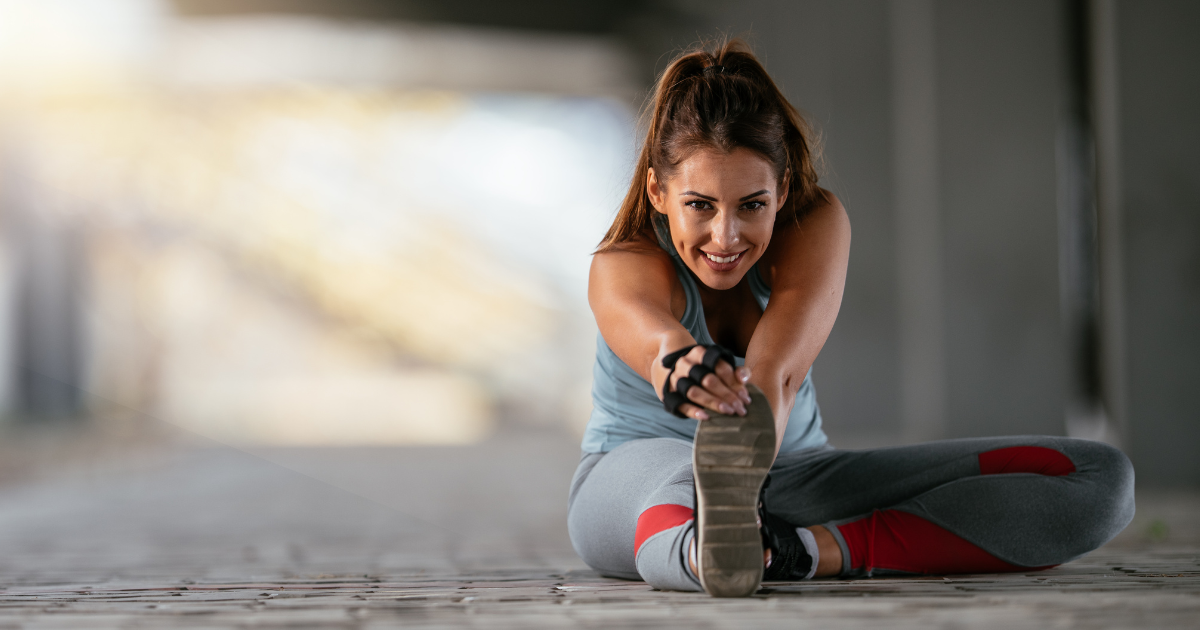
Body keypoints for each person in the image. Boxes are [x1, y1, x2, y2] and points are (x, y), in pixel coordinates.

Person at [567, 39, 1135, 597]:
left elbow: (777, 375)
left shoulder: (815, 224)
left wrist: (748, 468)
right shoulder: (624, 260)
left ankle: (806, 551)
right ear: (658, 191)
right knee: (680, 478)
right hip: (636, 481)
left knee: (1100, 478)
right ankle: (707, 552)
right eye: (700, 205)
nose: (727, 236)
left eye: (752, 205)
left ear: (782, 190)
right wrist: (682, 365)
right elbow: (654, 339)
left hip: (798, 477)